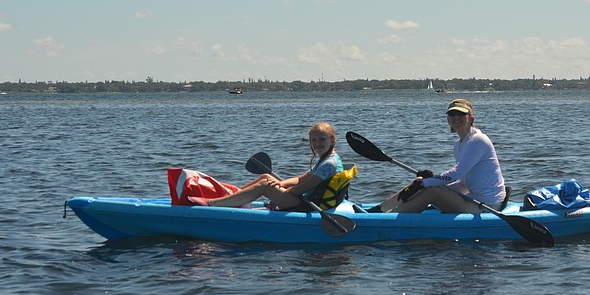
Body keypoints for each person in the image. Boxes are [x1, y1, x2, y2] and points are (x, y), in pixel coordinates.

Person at [369, 98, 508, 213]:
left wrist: (427, 184)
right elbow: (464, 184)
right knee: (423, 183)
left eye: (461, 114)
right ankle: (380, 209)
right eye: (452, 114)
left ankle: (389, 217)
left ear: (471, 118)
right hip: (473, 199)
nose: (456, 118)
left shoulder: (478, 140)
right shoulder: (459, 144)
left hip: (487, 206)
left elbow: (456, 174)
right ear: (448, 119)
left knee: (431, 191)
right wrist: (427, 183)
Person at [191, 122, 343, 210]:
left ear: (332, 140)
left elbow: (299, 189)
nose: (317, 144)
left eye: (322, 139)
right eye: (314, 140)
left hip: (309, 206)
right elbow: (299, 179)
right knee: (267, 177)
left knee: (265, 185)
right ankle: (229, 198)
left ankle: (212, 204)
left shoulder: (329, 164)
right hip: (305, 200)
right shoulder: (327, 158)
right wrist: (279, 184)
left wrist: (276, 197)